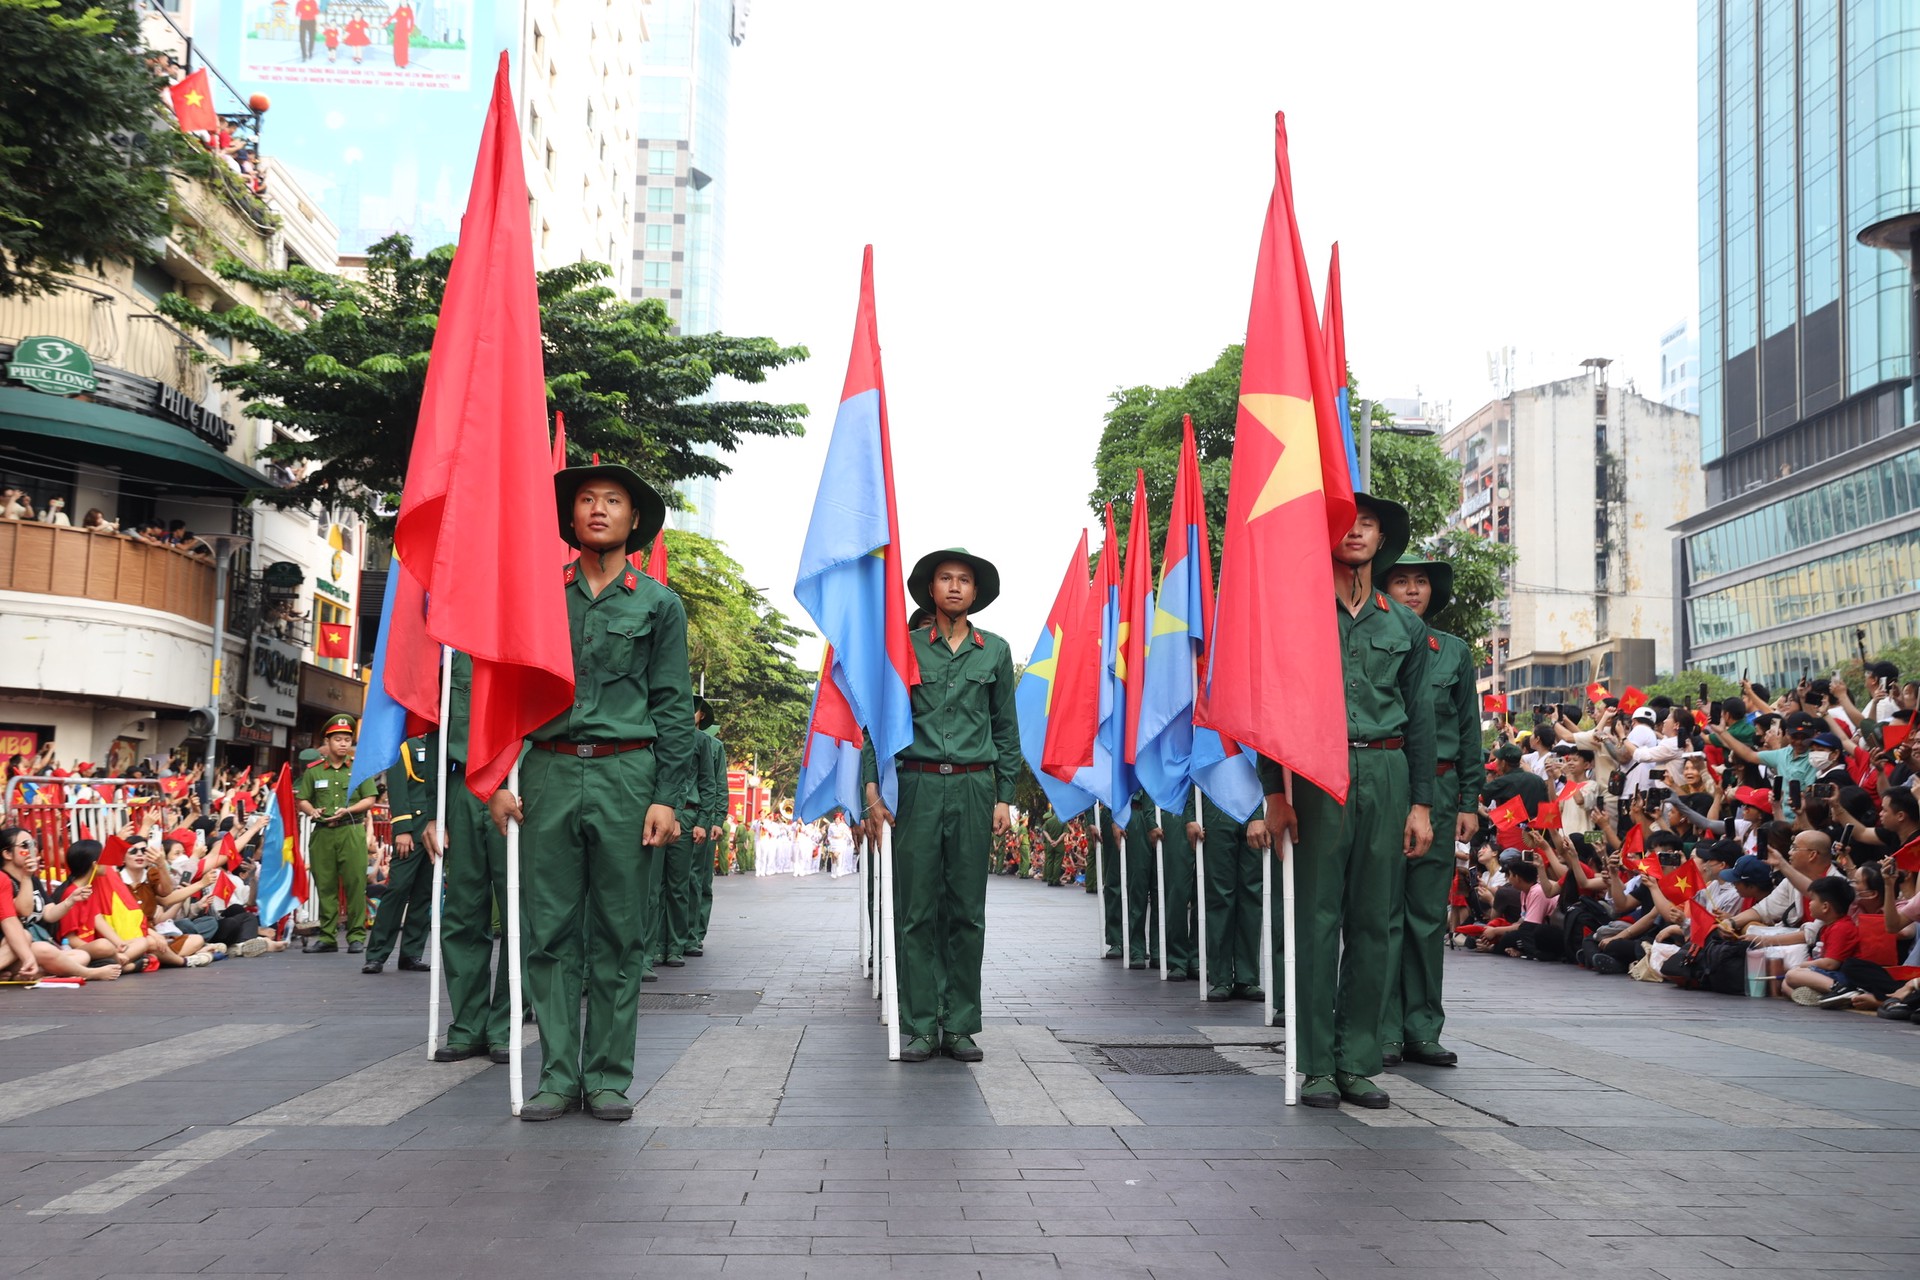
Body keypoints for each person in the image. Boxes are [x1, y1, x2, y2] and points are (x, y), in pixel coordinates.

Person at [486, 461, 695, 1121]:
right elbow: (505, 696)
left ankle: (606, 1076)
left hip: (626, 774)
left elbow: (672, 707)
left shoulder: (659, 604)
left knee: (619, 931)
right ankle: (556, 1075)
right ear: (569, 519)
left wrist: (668, 795)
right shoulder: (539, 596)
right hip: (546, 769)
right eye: (586, 500)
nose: (598, 509)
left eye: (613, 501)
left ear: (635, 522)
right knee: (547, 931)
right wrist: (496, 777)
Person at [1254, 493, 1435, 1110]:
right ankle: (1315, 1065)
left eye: (1368, 523)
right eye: (1345, 520)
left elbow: (1421, 724)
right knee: (1316, 919)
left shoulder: (1404, 625)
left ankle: (1358, 1062)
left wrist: (1421, 804)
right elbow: (1269, 709)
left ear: (1381, 538)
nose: (1355, 531)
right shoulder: (1298, 614)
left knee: (1374, 921)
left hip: (1386, 769)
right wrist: (1274, 792)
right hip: (1316, 768)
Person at [863, 549, 1019, 1064]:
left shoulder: (994, 651)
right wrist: (872, 789)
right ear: (930, 590)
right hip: (918, 786)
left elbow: (1006, 730)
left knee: (967, 911)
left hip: (975, 789)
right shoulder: (904, 649)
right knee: (916, 911)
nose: (954, 587)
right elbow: (878, 723)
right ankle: (920, 1025)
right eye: (945, 579)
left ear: (976, 592)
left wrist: (1005, 796)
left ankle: (959, 1025)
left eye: (964, 580)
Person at [1377, 554, 1479, 1070]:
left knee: (1424, 915)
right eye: (1402, 580)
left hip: (1439, 791)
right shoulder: (1366, 643)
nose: (1413, 590)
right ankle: (1383, 1028)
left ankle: (1422, 1027)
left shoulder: (1454, 652)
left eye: (1421, 582)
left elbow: (1467, 733)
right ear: (1383, 587)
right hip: (1385, 781)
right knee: (1381, 911)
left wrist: (1468, 802)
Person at [422, 653, 513, 1065]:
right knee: (461, 912)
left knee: (519, 914)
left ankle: (506, 1024)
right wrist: (430, 811)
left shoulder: (530, 633)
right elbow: (432, 731)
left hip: (515, 783)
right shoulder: (450, 652)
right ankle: (468, 1025)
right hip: (460, 785)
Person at [295, 713, 380, 954]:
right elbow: (302, 800)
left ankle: (355, 936)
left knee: (355, 883)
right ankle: (328, 936)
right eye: (338, 739)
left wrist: (348, 809)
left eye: (347, 739)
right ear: (327, 742)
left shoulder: (358, 769)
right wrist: (312, 811)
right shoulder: (314, 771)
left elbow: (370, 798)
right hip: (323, 833)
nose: (343, 744)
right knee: (325, 885)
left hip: (350, 830)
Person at [363, 735, 435, 975]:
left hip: (436, 829)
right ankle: (377, 953)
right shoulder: (407, 745)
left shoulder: (444, 741)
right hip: (412, 830)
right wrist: (402, 828)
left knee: (425, 894)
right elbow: (398, 787)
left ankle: (411, 954)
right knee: (397, 890)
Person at [686, 697, 728, 950]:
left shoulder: (713, 746)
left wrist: (718, 819)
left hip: (705, 818)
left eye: (694, 708)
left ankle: (695, 933)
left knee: (700, 880)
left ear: (702, 715)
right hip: (682, 817)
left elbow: (718, 785)